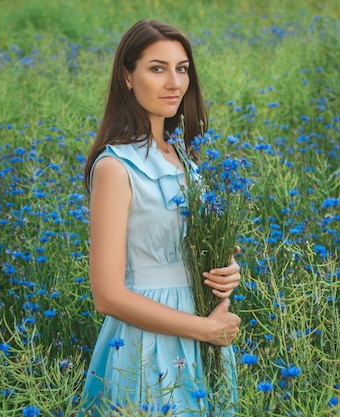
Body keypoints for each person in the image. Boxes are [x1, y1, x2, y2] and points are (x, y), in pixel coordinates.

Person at [80, 20, 242, 415]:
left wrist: (226, 269)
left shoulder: (184, 157)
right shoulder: (116, 167)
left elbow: (185, 245)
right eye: (157, 68)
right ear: (127, 77)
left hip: (205, 333)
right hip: (148, 341)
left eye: (182, 68)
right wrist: (203, 329)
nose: (174, 82)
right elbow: (107, 294)